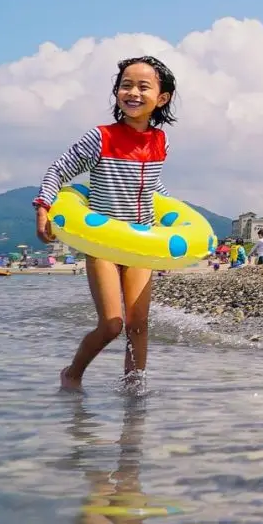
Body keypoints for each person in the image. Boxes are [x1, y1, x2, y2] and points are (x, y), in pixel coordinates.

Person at [35, 56, 178, 393]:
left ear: (161, 98)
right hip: (103, 243)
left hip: (140, 243)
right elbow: (58, 169)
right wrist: (43, 206)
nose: (133, 92)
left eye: (143, 87)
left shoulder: (160, 142)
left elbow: (152, 187)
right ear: (116, 92)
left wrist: (173, 222)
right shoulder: (100, 137)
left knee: (138, 324)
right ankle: (72, 374)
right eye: (125, 85)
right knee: (113, 324)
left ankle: (134, 393)